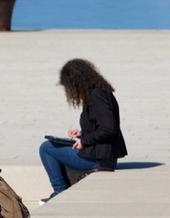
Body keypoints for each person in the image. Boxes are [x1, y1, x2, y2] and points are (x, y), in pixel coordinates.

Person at [39, 59, 127, 197]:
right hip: (100, 154)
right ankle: (61, 191)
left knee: (46, 148)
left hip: (100, 159)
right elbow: (102, 126)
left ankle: (60, 191)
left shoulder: (97, 96)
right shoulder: (97, 93)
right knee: (54, 143)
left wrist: (84, 141)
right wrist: (81, 134)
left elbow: (109, 128)